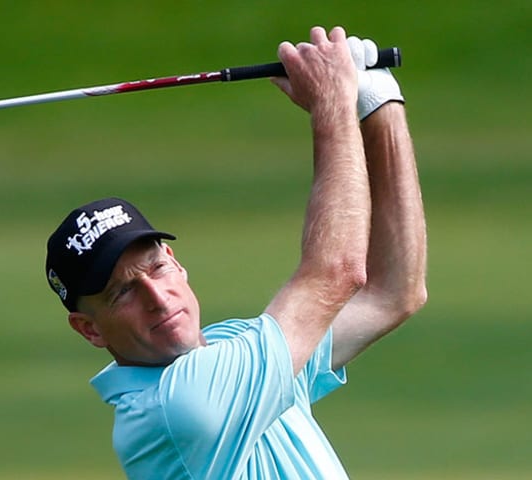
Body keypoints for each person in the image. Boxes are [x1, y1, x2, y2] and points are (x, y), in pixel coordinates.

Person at [44, 26, 427, 479]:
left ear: (178, 265)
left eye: (156, 268)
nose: (157, 296)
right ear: (89, 329)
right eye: (121, 293)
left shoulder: (233, 351)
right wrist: (332, 103)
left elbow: (394, 292)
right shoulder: (178, 407)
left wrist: (377, 103)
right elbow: (335, 274)